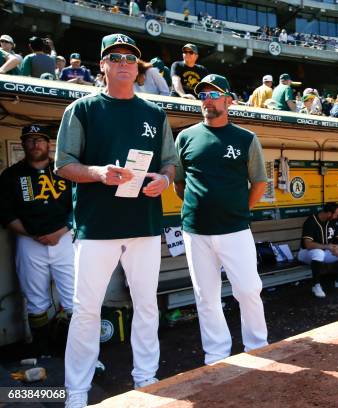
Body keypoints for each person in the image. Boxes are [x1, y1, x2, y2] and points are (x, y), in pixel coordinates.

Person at [55, 33, 178, 408]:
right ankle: (77, 393)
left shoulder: (154, 113)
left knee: (146, 305)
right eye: (115, 56)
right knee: (87, 309)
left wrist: (164, 179)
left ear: (137, 68)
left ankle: (146, 379)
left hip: (142, 222)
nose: (124, 61)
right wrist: (95, 171)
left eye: (130, 57)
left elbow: (169, 162)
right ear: (103, 65)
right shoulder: (83, 109)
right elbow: (63, 165)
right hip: (97, 226)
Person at [173, 74, 269, 365]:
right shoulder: (185, 137)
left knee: (248, 289)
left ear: (229, 100)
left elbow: (260, 183)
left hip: (235, 229)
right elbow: (179, 183)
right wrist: (200, 206)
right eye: (203, 95)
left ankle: (257, 347)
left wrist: (237, 209)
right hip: (195, 231)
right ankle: (216, 354)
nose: (207, 100)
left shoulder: (246, 138)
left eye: (214, 95)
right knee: (206, 296)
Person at [0, 125, 73, 357]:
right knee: (36, 300)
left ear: (49, 143)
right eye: (29, 140)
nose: (35, 144)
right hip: (29, 242)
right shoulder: (11, 175)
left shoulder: (65, 170)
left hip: (65, 240)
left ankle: (79, 351)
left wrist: (61, 231)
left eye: (39, 139)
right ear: (22, 144)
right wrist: (31, 234)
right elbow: (5, 212)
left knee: (74, 297)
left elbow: (79, 206)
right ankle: (42, 351)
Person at [298, 203, 338, 298]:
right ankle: (316, 285)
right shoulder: (311, 221)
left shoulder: (331, 221)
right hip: (306, 253)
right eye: (336, 214)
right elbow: (308, 245)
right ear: (329, 213)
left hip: (325, 252)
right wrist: (328, 247)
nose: (337, 216)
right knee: (318, 253)